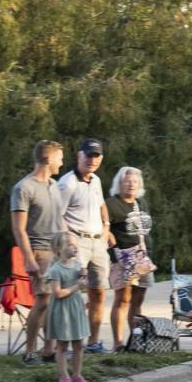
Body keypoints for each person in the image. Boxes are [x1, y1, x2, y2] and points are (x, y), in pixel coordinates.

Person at [9, 140, 65, 364]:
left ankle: (49, 350)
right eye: (60, 158)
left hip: (58, 251)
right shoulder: (24, 188)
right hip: (39, 250)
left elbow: (60, 219)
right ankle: (29, 351)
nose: (62, 162)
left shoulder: (54, 185)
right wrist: (29, 258)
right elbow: (18, 227)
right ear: (49, 159)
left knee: (55, 302)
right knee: (42, 301)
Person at [56, 137, 113, 352]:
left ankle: (93, 342)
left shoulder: (96, 180)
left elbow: (101, 205)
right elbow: (57, 214)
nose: (92, 160)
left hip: (98, 240)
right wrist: (68, 240)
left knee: (99, 291)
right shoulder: (67, 183)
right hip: (76, 241)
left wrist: (106, 227)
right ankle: (69, 343)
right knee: (73, 293)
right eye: (88, 155)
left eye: (96, 156)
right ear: (79, 155)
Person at [106, 166, 156, 350]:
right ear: (119, 183)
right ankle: (118, 343)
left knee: (138, 300)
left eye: (135, 181)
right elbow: (105, 229)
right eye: (127, 181)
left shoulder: (141, 203)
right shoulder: (111, 204)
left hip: (143, 258)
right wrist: (114, 252)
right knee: (123, 299)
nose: (131, 185)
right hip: (122, 257)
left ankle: (136, 340)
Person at [41, 229, 91, 382]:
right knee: (62, 345)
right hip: (62, 310)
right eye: (70, 245)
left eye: (75, 245)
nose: (74, 248)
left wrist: (84, 277)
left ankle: (77, 375)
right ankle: (64, 377)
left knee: (79, 344)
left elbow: (83, 285)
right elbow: (58, 293)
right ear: (58, 249)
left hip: (75, 307)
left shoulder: (77, 265)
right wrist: (78, 285)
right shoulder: (56, 270)